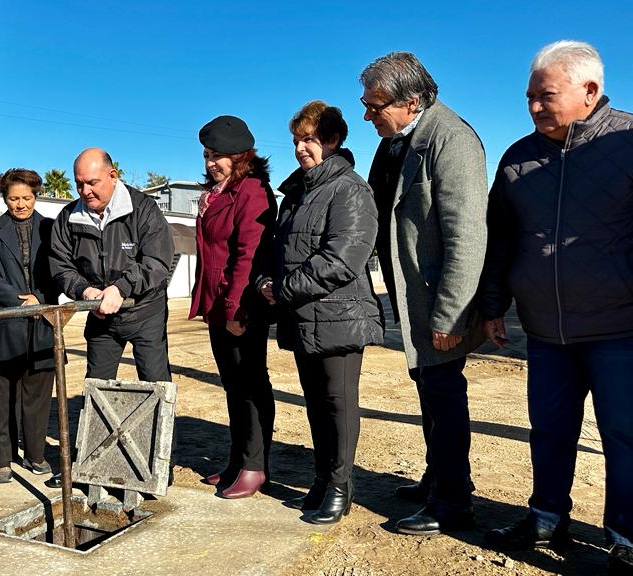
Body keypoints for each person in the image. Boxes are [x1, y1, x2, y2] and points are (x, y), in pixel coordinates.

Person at [479, 41, 633, 575]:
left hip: (622, 328)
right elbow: (501, 239)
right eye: (529, 98)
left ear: (589, 91)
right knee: (548, 428)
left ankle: (625, 537)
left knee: (625, 434)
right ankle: (545, 517)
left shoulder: (629, 141)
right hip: (545, 330)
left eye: (545, 96)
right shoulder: (519, 158)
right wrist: (494, 303)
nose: (534, 107)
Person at [360, 52, 488, 535]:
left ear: (411, 101)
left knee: (444, 396)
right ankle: (438, 477)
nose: (368, 116)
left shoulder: (450, 140)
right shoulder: (396, 142)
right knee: (429, 394)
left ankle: (453, 501)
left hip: (439, 304)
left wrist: (450, 315)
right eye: (366, 104)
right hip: (411, 297)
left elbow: (467, 234)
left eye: (375, 106)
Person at [263, 101, 383, 523]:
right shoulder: (297, 193)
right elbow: (280, 250)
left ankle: (339, 485)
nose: (300, 148)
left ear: (332, 140)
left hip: (339, 315)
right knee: (315, 403)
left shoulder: (350, 189)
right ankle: (321, 478)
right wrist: (267, 282)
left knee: (338, 403)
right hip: (302, 315)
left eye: (309, 139)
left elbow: (344, 257)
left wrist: (284, 290)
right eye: (297, 140)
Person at [189, 115, 277, 499]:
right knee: (233, 387)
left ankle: (255, 466)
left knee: (250, 385)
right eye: (208, 155)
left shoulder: (252, 190)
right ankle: (238, 459)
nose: (211, 163)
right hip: (217, 306)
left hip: (240, 308)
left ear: (242, 155)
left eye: (220, 155)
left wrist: (236, 309)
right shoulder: (219, 193)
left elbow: (248, 254)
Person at [48, 148, 175, 382]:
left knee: (156, 383)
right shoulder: (68, 217)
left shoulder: (143, 209)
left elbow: (156, 260)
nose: (85, 191)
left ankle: (160, 419)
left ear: (113, 176)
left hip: (144, 312)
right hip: (100, 317)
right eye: (79, 184)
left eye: (92, 182)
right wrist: (84, 290)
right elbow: (60, 265)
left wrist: (121, 287)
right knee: (97, 384)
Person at [0, 169, 59, 484]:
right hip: (5, 319)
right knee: (1, 393)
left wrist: (40, 299)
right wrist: (18, 299)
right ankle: (0, 459)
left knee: (38, 392)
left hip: (42, 320)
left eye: (26, 198)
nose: (20, 204)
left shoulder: (52, 229)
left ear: (36, 196)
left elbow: (61, 268)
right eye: (13, 198)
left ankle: (35, 454)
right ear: (4, 198)